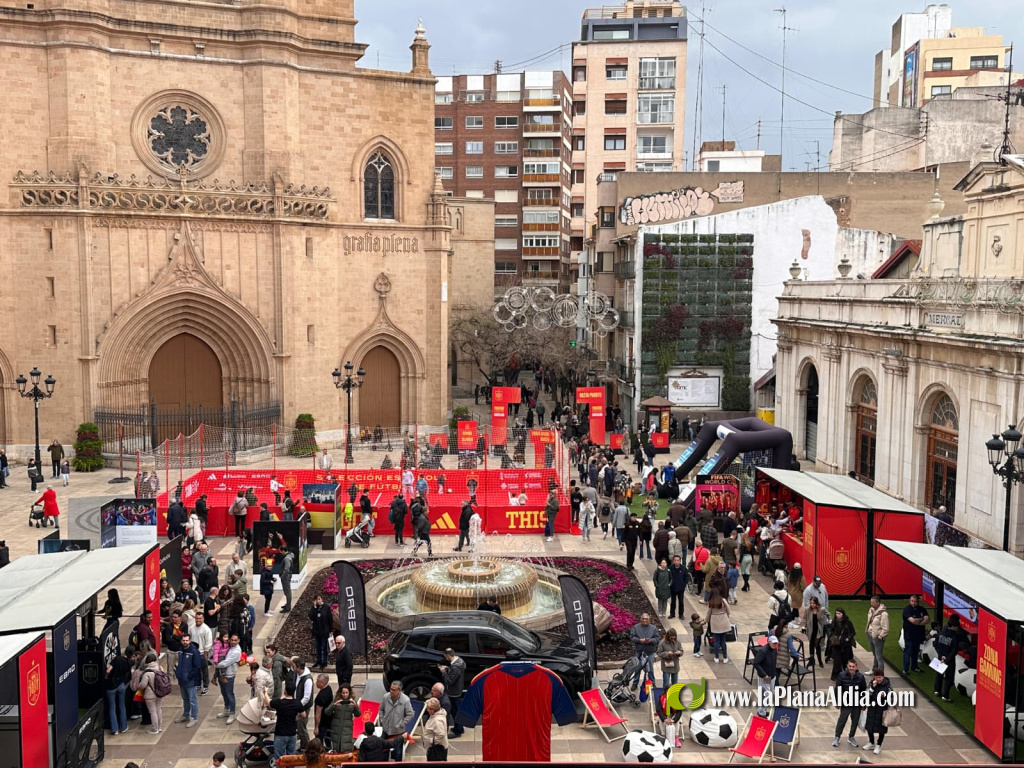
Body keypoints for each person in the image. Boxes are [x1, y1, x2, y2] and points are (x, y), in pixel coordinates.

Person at [832, 659, 866, 748]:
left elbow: (863, 691)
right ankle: (837, 736)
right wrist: (837, 701)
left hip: (857, 703)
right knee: (842, 719)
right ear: (847, 666)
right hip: (846, 702)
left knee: (855, 721)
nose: (851, 668)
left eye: (853, 666)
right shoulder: (841, 675)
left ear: (856, 667)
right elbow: (838, 689)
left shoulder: (861, 677)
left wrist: (864, 703)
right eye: (850, 666)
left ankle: (851, 737)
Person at [265, 681, 304, 759]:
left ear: (285, 690)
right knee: (291, 757)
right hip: (292, 733)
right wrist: (297, 717)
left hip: (281, 734)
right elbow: (303, 714)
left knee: (280, 758)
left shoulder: (279, 703)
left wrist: (265, 692)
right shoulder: (297, 703)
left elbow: (268, 701)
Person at [379, 680, 414, 761]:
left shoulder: (405, 700)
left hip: (398, 732)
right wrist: (382, 720)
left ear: (399, 690)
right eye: (391, 689)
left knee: (398, 753)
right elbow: (381, 709)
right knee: (383, 752)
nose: (391, 691)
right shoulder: (385, 697)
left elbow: (410, 714)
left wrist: (402, 723)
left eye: (394, 690)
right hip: (386, 730)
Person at [174, 633, 203, 727]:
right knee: (185, 698)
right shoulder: (180, 650)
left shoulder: (194, 652)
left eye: (187, 640)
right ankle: (186, 714)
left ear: (190, 641)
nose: (185, 642)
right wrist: (178, 673)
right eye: (183, 640)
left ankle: (194, 718)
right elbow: (178, 663)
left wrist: (189, 676)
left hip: (190, 680)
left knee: (192, 700)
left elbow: (197, 666)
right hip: (181, 680)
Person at [864, 666, 893, 755]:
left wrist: (885, 697)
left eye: (879, 677)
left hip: (882, 710)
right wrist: (872, 687)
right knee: (869, 726)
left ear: (883, 677)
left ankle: (878, 745)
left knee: (881, 729)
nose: (878, 679)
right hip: (872, 708)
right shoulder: (872, 683)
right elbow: (867, 694)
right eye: (876, 677)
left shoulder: (888, 686)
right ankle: (871, 742)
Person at [323, 684, 361, 753]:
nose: (345, 695)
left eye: (346, 693)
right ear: (340, 692)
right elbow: (327, 712)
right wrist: (334, 705)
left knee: (345, 749)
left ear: (349, 693)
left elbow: (358, 714)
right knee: (335, 750)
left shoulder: (352, 701)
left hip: (347, 731)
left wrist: (355, 706)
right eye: (343, 693)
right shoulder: (336, 700)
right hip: (336, 730)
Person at [215, 634, 242, 724]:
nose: (233, 641)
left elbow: (225, 663)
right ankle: (226, 710)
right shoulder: (229, 647)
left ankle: (232, 713)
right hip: (222, 673)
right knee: (224, 693)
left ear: (238, 640)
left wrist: (217, 664)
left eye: (235, 640)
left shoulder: (236, 651)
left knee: (229, 694)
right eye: (232, 640)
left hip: (229, 675)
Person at [104, 647, 132, 735]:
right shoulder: (128, 663)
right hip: (121, 685)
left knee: (112, 707)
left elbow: (108, 670)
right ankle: (123, 727)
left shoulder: (117, 659)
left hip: (111, 686)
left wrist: (107, 676)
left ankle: (114, 729)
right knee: (122, 706)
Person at [440, 647, 466, 738]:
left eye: (445, 657)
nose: (445, 659)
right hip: (457, 690)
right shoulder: (459, 662)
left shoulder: (455, 667)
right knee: (457, 710)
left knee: (455, 711)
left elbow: (450, 681)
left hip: (453, 692)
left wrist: (443, 672)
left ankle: (457, 731)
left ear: (448, 656)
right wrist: (448, 669)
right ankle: (460, 727)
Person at [933, 615, 961, 701]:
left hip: (940, 658)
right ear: (953, 626)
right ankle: (945, 696)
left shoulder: (941, 632)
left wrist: (941, 656)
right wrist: (947, 659)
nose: (957, 628)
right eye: (957, 626)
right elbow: (954, 650)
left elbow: (935, 644)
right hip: (949, 661)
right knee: (949, 678)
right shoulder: (954, 637)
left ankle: (937, 691)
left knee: (939, 675)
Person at [628, 613, 658, 689]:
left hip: (650, 652)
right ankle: (635, 682)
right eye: (643, 619)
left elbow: (657, 639)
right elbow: (632, 637)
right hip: (639, 651)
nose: (645, 620)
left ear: (649, 620)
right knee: (637, 668)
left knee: (650, 669)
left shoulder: (653, 628)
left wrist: (650, 640)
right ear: (641, 619)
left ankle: (652, 682)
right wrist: (639, 640)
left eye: (646, 619)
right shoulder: (636, 627)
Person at [136, 652, 164, 734]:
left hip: (150, 694)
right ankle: (160, 727)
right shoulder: (160, 668)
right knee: (159, 709)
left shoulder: (147, 672)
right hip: (160, 692)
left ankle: (155, 729)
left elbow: (143, 685)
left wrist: (138, 686)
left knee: (152, 711)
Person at [902, 594, 929, 674]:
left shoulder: (922, 609)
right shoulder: (907, 610)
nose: (914, 603)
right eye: (912, 601)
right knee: (908, 652)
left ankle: (914, 667)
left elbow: (927, 619)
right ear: (909, 601)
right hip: (909, 635)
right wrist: (921, 619)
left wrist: (918, 622)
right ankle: (905, 669)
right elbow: (912, 621)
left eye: (915, 601)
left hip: (919, 636)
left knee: (916, 652)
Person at [828, 607, 857, 682]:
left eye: (839, 613)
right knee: (837, 662)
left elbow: (853, 632)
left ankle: (847, 675)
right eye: (836, 613)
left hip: (846, 645)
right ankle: (838, 677)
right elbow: (830, 631)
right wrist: (833, 637)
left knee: (845, 661)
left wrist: (848, 638)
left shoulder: (848, 622)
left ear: (843, 614)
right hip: (837, 645)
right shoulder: (834, 622)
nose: (838, 615)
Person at [753, 636, 779, 717]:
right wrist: (764, 674)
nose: (775, 644)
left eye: (776, 643)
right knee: (766, 695)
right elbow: (756, 663)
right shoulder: (763, 651)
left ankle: (762, 710)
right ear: (769, 642)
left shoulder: (774, 650)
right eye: (774, 643)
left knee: (768, 694)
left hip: (771, 675)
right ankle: (761, 712)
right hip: (764, 677)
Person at [293, 658, 316, 748]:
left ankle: (308, 747)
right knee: (299, 727)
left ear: (299, 668)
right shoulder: (298, 674)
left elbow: (306, 698)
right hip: (298, 705)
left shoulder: (307, 680)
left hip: (303, 707)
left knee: (301, 728)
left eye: (294, 666)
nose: (292, 668)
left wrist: (297, 707)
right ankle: (303, 746)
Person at [803, 596, 829, 669]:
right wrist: (804, 626)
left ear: (817, 603)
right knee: (811, 645)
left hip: (819, 630)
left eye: (813, 603)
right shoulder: (807, 610)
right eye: (811, 603)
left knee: (817, 645)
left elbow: (828, 614)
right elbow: (805, 618)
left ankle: (820, 661)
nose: (812, 605)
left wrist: (829, 621)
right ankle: (811, 660)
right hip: (810, 630)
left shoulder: (821, 609)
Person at [865, 596, 890, 672]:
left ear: (878, 603)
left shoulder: (884, 614)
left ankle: (880, 673)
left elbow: (886, 628)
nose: (871, 604)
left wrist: (880, 637)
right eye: (871, 602)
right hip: (870, 635)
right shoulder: (871, 610)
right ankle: (874, 669)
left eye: (873, 602)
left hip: (877, 638)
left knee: (878, 656)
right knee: (875, 655)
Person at [705, 594, 732, 664]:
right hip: (723, 621)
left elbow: (708, 613)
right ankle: (725, 657)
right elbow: (728, 609)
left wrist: (706, 620)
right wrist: (727, 614)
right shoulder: (723, 600)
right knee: (723, 641)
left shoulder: (711, 602)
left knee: (716, 641)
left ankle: (716, 657)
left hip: (715, 623)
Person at [309, 596, 333, 670]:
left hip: (324, 631)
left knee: (324, 647)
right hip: (317, 631)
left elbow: (330, 619)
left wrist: (331, 630)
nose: (318, 601)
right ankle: (318, 661)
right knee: (318, 647)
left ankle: (324, 661)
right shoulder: (314, 608)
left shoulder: (326, 607)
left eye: (319, 599)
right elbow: (311, 617)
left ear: (321, 599)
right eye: (316, 600)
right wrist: (315, 608)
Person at [423, 697, 449, 761]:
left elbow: (441, 734)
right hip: (437, 748)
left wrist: (432, 742)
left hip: (436, 750)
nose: (427, 710)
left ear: (432, 710)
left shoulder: (437, 721)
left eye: (428, 709)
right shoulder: (437, 716)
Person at [193, 612, 213, 695]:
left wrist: (205, 653)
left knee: (204, 671)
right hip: (194, 653)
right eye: (197, 618)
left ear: (203, 619)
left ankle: (205, 686)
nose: (198, 620)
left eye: (200, 618)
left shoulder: (206, 629)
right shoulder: (191, 628)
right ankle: (198, 684)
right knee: (196, 670)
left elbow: (208, 642)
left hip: (202, 653)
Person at [312, 674, 333, 743]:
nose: (316, 683)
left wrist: (316, 727)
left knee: (319, 741)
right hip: (328, 721)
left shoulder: (321, 697)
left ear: (322, 683)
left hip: (322, 723)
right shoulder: (329, 689)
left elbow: (318, 713)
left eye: (317, 681)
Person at [668, 555, 688, 620]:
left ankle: (681, 614)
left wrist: (683, 586)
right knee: (673, 602)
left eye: (678, 560)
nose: (676, 562)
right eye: (675, 560)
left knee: (681, 602)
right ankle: (672, 614)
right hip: (673, 588)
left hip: (680, 589)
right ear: (673, 561)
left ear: (680, 561)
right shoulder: (670, 568)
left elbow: (686, 578)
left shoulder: (684, 569)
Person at [279, 547, 295, 613]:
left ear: (283, 551)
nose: (280, 552)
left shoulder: (287, 559)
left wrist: (282, 576)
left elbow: (286, 569)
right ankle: (287, 604)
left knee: (287, 592)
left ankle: (288, 607)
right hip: (287, 577)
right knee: (287, 592)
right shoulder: (290, 555)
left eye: (281, 551)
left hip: (286, 578)